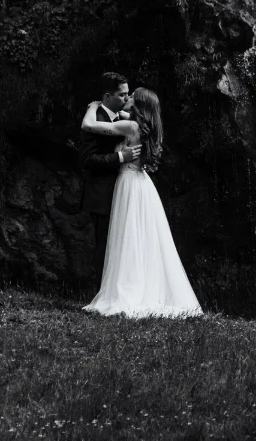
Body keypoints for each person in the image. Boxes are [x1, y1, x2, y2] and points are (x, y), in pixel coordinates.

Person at [80, 86, 203, 318]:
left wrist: (94, 106)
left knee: (129, 235)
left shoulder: (131, 126)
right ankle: (143, 286)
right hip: (143, 184)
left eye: (132, 96)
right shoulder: (146, 126)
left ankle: (128, 290)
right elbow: (121, 115)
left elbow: (89, 125)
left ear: (139, 104)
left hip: (128, 184)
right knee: (141, 237)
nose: (128, 97)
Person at [78, 72, 140, 291]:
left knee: (122, 246)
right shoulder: (98, 118)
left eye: (128, 94)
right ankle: (102, 295)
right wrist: (121, 157)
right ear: (107, 96)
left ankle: (120, 292)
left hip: (124, 191)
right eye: (122, 94)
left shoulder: (124, 118)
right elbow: (87, 160)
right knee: (104, 246)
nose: (127, 98)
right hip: (102, 195)